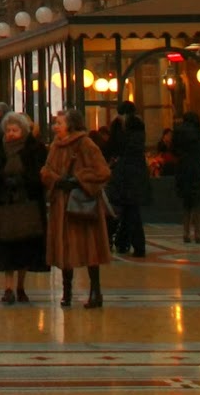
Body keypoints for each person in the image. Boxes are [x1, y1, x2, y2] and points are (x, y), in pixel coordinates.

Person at [41, 107, 111, 308]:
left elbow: (103, 172)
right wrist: (55, 179)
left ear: (71, 125)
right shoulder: (56, 145)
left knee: (90, 249)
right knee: (65, 250)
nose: (55, 127)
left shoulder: (85, 144)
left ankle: (95, 291)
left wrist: (79, 179)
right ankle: (67, 291)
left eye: (59, 123)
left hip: (82, 205)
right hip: (61, 205)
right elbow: (46, 170)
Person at [0, 110, 48, 303]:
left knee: (25, 247)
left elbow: (41, 174)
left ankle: (21, 286)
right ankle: (8, 287)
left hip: (27, 204)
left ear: (24, 131)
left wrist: (23, 181)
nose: (11, 134)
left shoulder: (35, 148)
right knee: (6, 248)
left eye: (15, 130)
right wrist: (1, 183)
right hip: (4, 203)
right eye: (8, 130)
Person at [107, 111, 151, 257]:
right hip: (137, 180)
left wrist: (116, 123)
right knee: (130, 212)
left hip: (125, 180)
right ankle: (124, 242)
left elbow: (113, 145)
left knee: (127, 212)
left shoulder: (125, 138)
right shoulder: (140, 139)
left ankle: (133, 245)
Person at [172, 110, 200, 242]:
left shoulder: (178, 132)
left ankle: (186, 232)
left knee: (186, 203)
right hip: (196, 168)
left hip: (182, 169)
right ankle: (197, 233)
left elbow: (174, 150)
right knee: (196, 202)